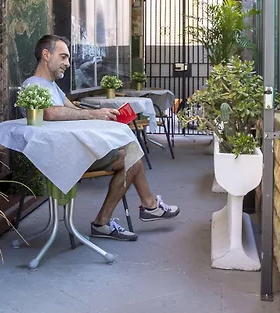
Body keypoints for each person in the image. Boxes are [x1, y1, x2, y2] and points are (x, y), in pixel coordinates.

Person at [20, 34, 180, 241]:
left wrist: (101, 114)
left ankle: (147, 206)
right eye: (63, 57)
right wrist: (93, 114)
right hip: (59, 157)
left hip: (70, 149)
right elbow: (51, 113)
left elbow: (72, 110)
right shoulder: (33, 85)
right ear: (46, 55)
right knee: (132, 159)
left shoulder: (51, 86)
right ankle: (112, 219)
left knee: (132, 152)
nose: (67, 63)